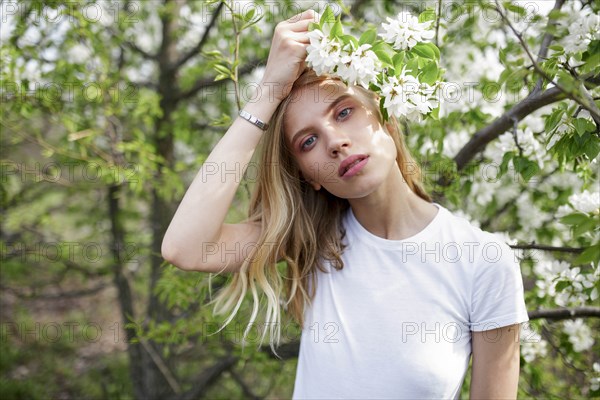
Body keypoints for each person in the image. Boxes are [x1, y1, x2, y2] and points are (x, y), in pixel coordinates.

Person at [162, 9, 530, 399]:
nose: (335, 141)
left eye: (344, 112)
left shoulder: (484, 261)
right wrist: (267, 91)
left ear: (386, 116)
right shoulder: (314, 241)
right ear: (310, 177)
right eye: (308, 141)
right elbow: (184, 247)